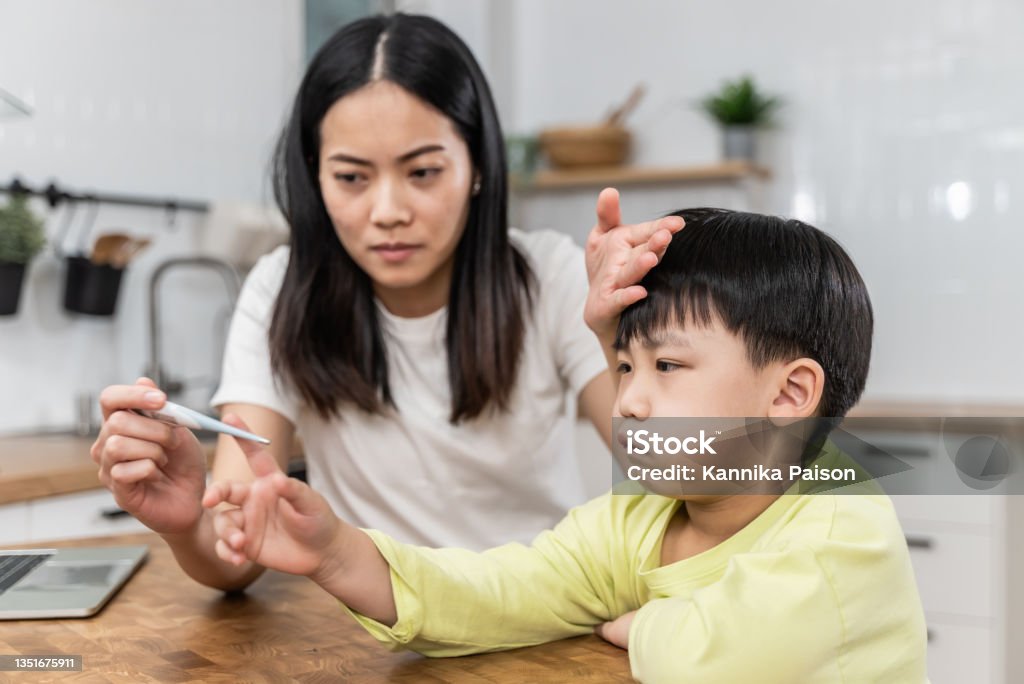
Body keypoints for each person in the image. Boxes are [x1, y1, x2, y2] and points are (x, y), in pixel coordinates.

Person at [200, 208, 928, 682]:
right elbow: (501, 592)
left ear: (790, 396)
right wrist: (336, 553)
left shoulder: (841, 526)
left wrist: (648, 626)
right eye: (623, 366)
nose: (632, 400)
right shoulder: (640, 517)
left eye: (667, 367)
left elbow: (722, 659)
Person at [91, 13, 683, 590]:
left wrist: (620, 337)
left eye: (422, 172)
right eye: (352, 178)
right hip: (369, 628)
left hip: (536, 613)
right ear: (314, 177)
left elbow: (677, 476)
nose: (388, 211)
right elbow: (238, 548)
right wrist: (185, 525)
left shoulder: (550, 277)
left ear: (477, 165)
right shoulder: (280, 288)